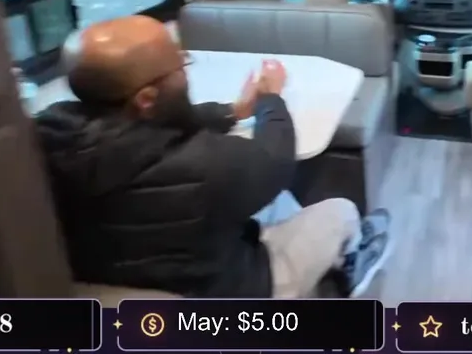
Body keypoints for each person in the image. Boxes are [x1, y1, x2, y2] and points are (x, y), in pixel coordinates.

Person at [33, 15, 391, 298]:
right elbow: (276, 160)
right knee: (341, 212)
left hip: (113, 277)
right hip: (221, 292)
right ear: (145, 99)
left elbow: (151, 124)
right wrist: (271, 98)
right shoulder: (205, 164)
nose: (184, 67)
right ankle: (350, 267)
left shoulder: (47, 135)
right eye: (180, 65)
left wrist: (233, 111)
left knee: (277, 203)